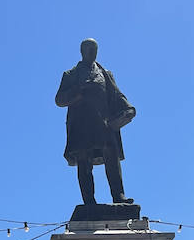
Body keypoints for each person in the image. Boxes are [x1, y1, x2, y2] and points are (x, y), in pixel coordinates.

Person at [55, 38, 136, 207]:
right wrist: (78, 90)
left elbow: (116, 93)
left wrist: (128, 107)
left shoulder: (105, 73)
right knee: (84, 161)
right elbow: (59, 99)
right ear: (82, 51)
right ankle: (89, 201)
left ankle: (118, 195)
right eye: (89, 49)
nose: (92, 52)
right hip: (81, 125)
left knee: (111, 156)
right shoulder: (71, 75)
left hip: (104, 123)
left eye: (95, 49)